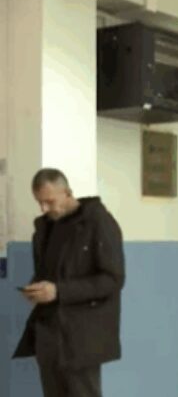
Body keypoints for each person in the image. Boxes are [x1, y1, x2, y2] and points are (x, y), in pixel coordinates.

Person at [13, 168, 125, 397]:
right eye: (39, 202)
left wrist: (58, 291)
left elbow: (112, 279)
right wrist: (37, 289)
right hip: (49, 333)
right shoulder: (44, 228)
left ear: (67, 192)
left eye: (49, 201)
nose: (44, 209)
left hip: (81, 337)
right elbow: (47, 272)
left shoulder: (99, 223)